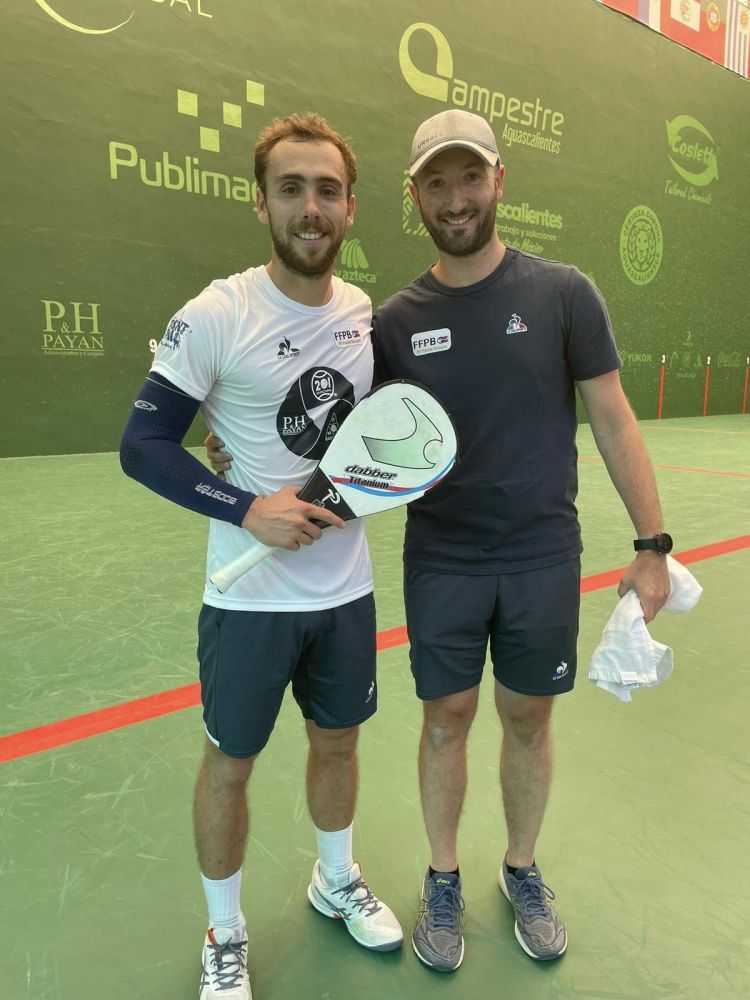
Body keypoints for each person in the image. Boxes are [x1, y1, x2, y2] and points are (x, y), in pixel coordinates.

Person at [206, 109, 672, 974]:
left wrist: (652, 542)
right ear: (414, 196)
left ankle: (523, 870)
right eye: (436, 183)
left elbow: (611, 414)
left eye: (470, 178)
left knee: (528, 720)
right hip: (445, 560)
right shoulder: (390, 321)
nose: (455, 199)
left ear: (499, 181)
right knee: (445, 722)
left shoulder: (564, 292)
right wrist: (233, 444)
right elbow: (337, 422)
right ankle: (445, 877)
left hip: (542, 555)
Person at [120, 113, 403, 1000]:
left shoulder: (366, 316)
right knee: (230, 766)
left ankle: (334, 877)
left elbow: (386, 436)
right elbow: (143, 445)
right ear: (261, 203)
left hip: (346, 592)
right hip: (245, 604)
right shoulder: (218, 312)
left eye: (327, 190)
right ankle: (225, 931)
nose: (310, 207)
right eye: (292, 189)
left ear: (351, 207)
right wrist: (248, 506)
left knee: (339, 743)